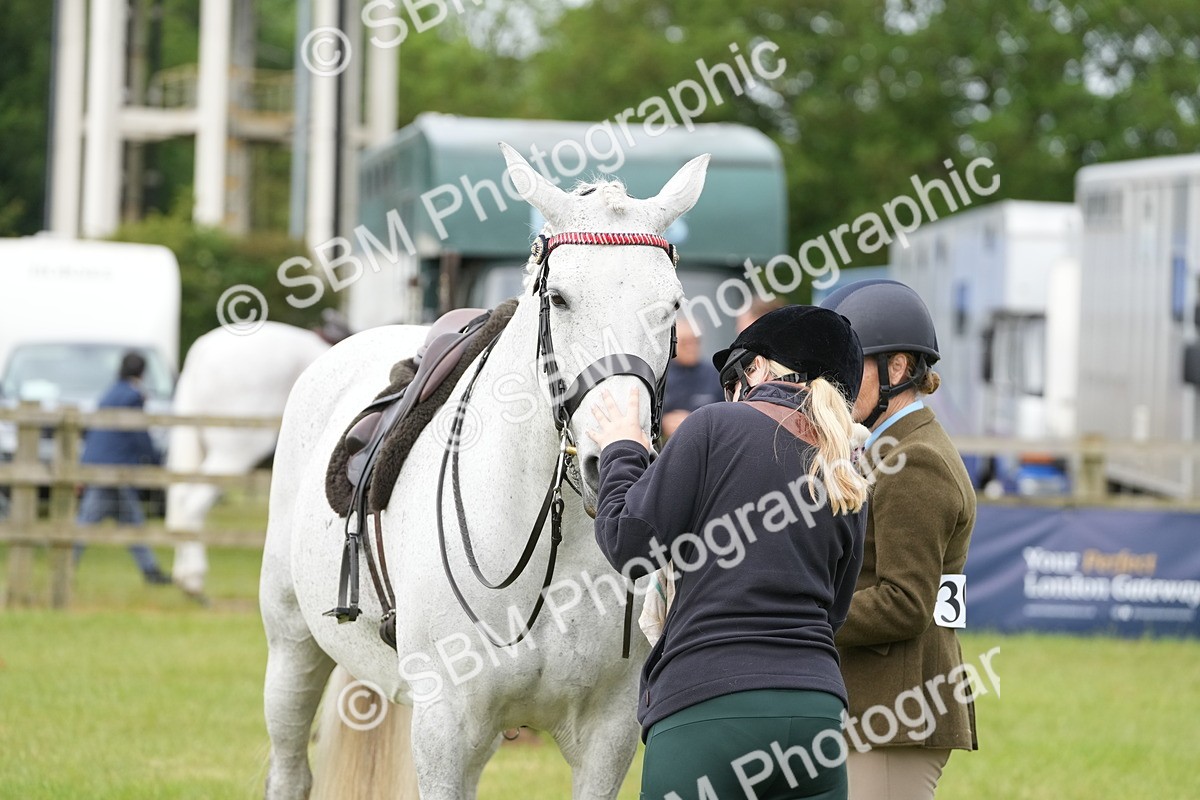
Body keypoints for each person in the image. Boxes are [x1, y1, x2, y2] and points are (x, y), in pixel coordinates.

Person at [589, 305, 869, 799]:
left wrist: (622, 450)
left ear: (758, 368)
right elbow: (836, 611)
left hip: (707, 705)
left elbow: (628, 544)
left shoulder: (712, 425)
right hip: (815, 714)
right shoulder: (847, 469)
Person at [820, 280, 978, 800]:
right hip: (877, 702)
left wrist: (802, 617)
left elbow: (905, 603)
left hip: (896, 709)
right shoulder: (888, 448)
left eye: (851, 365)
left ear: (897, 368)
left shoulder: (916, 460)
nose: (837, 383)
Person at [75, 351, 171, 584]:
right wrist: (155, 460)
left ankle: (151, 571)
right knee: (86, 522)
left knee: (132, 520)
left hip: (98, 466)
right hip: (113, 470)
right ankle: (63, 564)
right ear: (142, 372)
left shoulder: (110, 392)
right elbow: (139, 433)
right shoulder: (132, 396)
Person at [659, 321, 722, 438]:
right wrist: (663, 423)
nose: (691, 348)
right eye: (685, 343)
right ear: (672, 344)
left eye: (695, 342)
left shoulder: (715, 375)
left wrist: (695, 423)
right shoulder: (660, 377)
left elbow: (725, 416)